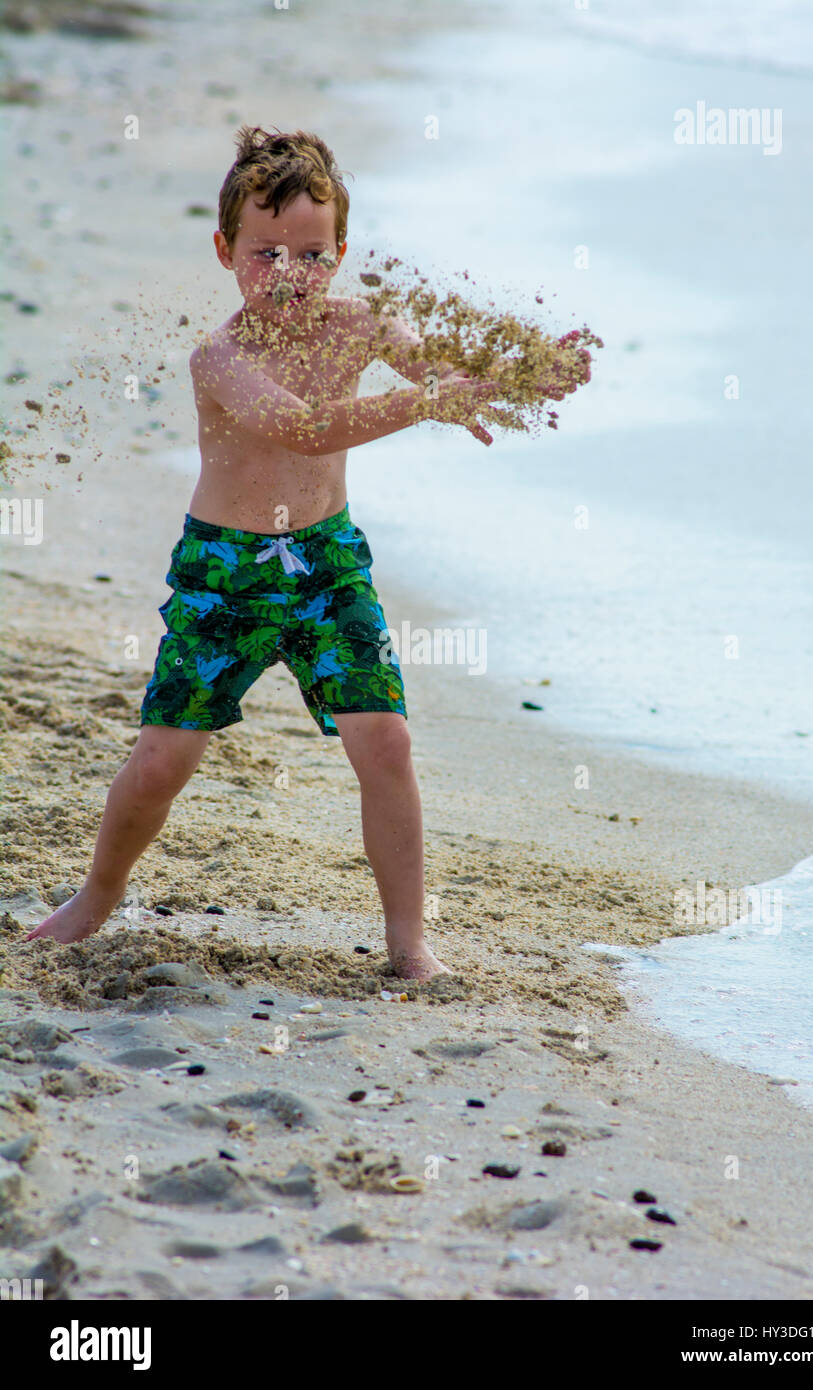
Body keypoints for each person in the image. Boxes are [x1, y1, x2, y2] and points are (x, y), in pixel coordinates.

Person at [27, 125, 588, 979]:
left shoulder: (360, 325)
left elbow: (445, 364)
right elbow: (303, 425)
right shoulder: (219, 356)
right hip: (226, 572)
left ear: (342, 252)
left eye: (313, 254)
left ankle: (409, 943)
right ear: (224, 251)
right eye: (266, 253)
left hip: (327, 565)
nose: (291, 274)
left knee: (385, 741)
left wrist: (519, 374)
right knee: (162, 760)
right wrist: (426, 403)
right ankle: (95, 897)